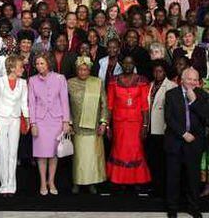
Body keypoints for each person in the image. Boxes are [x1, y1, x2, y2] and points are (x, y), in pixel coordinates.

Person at [164, 68, 209, 218]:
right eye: (189, 79)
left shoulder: (203, 95)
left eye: (195, 80)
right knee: (173, 177)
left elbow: (206, 118)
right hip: (175, 141)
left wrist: (193, 101)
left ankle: (194, 207)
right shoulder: (171, 94)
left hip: (195, 144)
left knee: (193, 177)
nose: (192, 82)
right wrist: (183, 134)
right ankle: (172, 208)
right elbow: (169, 119)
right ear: (181, 79)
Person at [28, 53, 71, 195]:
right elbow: (31, 104)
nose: (39, 66)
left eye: (42, 63)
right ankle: (42, 182)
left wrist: (66, 122)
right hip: (40, 121)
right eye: (37, 64)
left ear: (48, 63)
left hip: (56, 120)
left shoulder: (60, 78)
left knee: (53, 153)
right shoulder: (32, 80)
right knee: (41, 154)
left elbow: (64, 101)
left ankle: (51, 181)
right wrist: (33, 123)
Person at [107, 55, 151, 188]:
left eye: (130, 63)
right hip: (119, 123)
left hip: (136, 124)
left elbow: (145, 106)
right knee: (119, 150)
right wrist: (107, 126)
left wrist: (145, 125)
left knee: (135, 151)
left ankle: (135, 180)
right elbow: (109, 105)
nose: (127, 66)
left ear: (134, 65)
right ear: (121, 64)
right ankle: (119, 181)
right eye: (125, 63)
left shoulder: (142, 81)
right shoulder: (113, 81)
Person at [0, 55, 29, 196]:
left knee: (13, 153)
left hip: (15, 119)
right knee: (3, 152)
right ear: (12, 67)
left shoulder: (23, 83)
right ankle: (4, 186)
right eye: (20, 67)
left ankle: (12, 186)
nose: (23, 69)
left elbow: (24, 103)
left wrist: (28, 119)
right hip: (1, 118)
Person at [68, 56, 108, 194]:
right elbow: (65, 104)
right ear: (76, 70)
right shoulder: (70, 83)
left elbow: (104, 105)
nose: (83, 72)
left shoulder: (97, 82)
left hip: (94, 126)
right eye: (80, 69)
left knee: (92, 157)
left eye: (85, 69)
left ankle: (92, 183)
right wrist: (69, 123)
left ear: (89, 70)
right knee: (79, 157)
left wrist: (103, 123)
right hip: (76, 126)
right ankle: (77, 182)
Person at [146, 59, 177, 197]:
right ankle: (154, 186)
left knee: (162, 161)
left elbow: (174, 111)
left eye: (160, 71)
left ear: (165, 72)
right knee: (152, 159)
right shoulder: (150, 85)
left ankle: (162, 189)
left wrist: (168, 128)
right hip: (150, 128)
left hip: (163, 129)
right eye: (155, 71)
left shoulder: (171, 86)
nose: (157, 73)